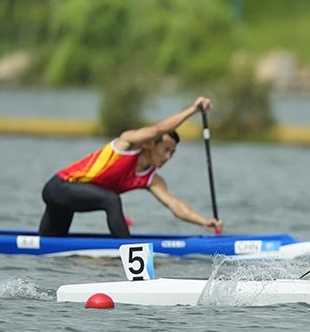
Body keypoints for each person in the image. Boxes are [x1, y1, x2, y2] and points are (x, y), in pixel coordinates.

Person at [38, 96, 224, 237]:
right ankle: (127, 250)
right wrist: (193, 110)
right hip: (59, 187)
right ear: (150, 143)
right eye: (165, 149)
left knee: (47, 245)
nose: (168, 157)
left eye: (172, 153)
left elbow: (173, 204)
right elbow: (158, 130)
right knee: (111, 200)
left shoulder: (152, 179)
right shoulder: (126, 144)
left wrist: (204, 221)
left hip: (69, 200)